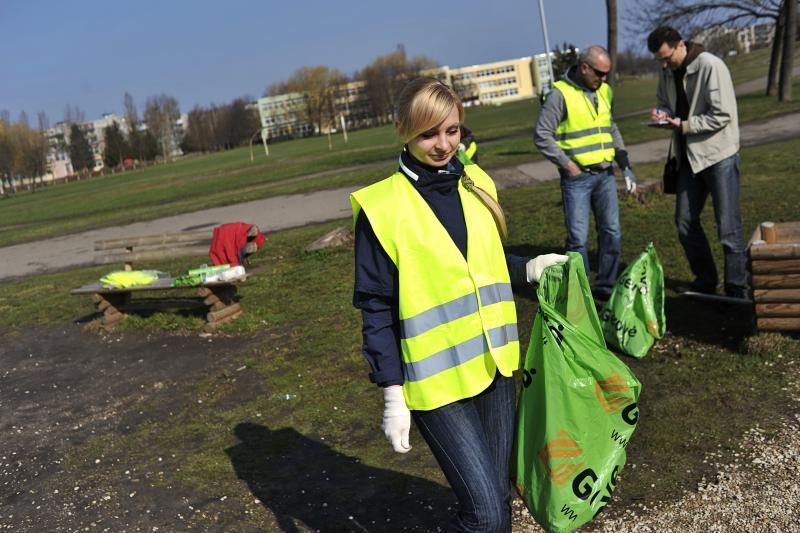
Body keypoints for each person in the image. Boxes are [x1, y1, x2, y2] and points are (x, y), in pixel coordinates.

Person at [351, 77, 567, 532]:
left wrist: (527, 268)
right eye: (429, 133)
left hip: (493, 367)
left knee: (499, 505)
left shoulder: (476, 183)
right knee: (486, 516)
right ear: (403, 130)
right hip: (436, 385)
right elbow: (375, 307)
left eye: (451, 131)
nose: (443, 144)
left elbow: (480, 264)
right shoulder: (382, 209)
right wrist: (392, 395)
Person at [647, 26, 747, 298]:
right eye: (659, 60)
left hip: (719, 155)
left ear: (680, 45)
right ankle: (705, 279)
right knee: (684, 222)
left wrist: (683, 124)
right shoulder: (666, 71)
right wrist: (662, 115)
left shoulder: (711, 66)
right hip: (688, 156)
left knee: (728, 226)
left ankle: (737, 287)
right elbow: (664, 101)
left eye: (667, 57)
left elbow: (722, 114)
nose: (664, 64)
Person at [533, 45, 638, 301]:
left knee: (611, 231)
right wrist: (567, 165)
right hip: (577, 179)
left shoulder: (605, 91)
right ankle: (578, 289)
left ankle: (605, 285)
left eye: (607, 74)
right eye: (600, 74)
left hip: (605, 175)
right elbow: (541, 134)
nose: (604, 79)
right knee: (578, 238)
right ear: (584, 68)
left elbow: (610, 127)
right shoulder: (560, 94)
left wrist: (624, 162)